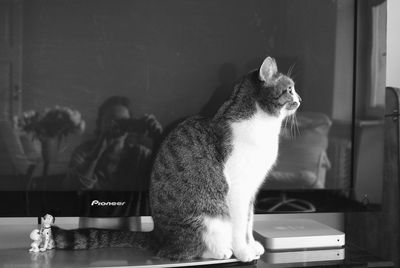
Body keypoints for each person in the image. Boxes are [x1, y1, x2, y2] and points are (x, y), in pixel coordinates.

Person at [64, 96, 162, 191]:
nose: (117, 126)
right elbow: (73, 189)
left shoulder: (141, 154)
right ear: (99, 124)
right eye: (111, 121)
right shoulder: (83, 152)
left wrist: (160, 138)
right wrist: (97, 152)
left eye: (124, 121)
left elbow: (166, 179)